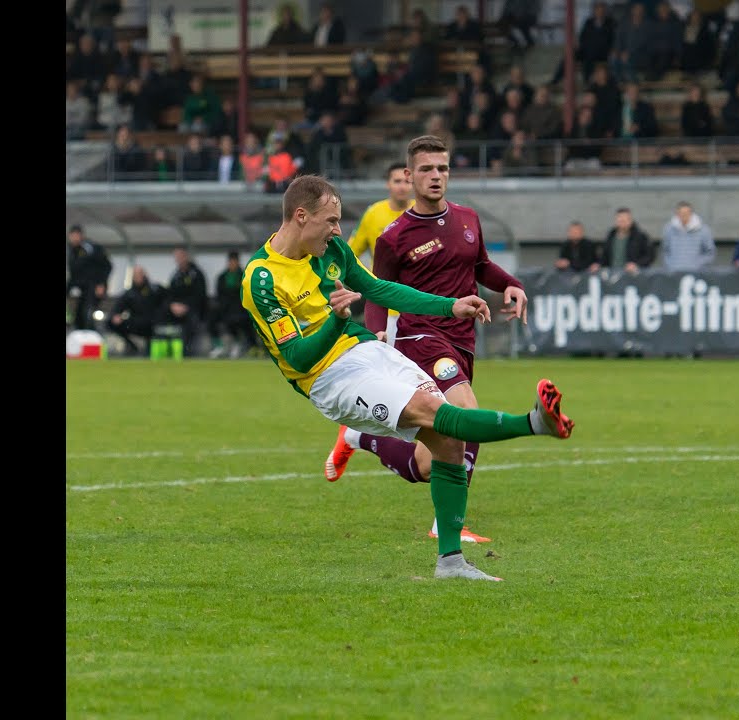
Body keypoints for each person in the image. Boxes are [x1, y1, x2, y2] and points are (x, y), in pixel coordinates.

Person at [242, 173, 573, 581]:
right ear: (300, 215)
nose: (337, 230)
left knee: (447, 443)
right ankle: (534, 422)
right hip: (328, 377)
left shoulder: (331, 251)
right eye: (330, 221)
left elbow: (382, 290)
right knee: (434, 411)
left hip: (367, 350)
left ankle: (450, 564)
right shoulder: (260, 278)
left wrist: (450, 306)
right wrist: (336, 320)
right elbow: (297, 355)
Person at [348, 135, 534, 545]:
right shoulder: (394, 236)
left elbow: (482, 265)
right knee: (467, 411)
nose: (436, 176)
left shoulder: (468, 219)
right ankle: (448, 525)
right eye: (427, 169)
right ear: (409, 176)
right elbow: (379, 290)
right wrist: (377, 331)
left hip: (463, 338)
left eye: (443, 168)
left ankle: (362, 437)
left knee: (432, 459)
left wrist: (511, 285)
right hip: (420, 336)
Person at [160, 246, 209, 357]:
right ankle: (164, 348)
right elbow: (170, 294)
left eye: (181, 256)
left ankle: (187, 351)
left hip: (193, 310)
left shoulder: (196, 274)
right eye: (176, 257)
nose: (178, 259)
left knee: (191, 320)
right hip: (176, 310)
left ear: (186, 256)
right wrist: (172, 305)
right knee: (160, 314)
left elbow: (200, 295)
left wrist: (185, 306)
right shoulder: (175, 276)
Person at [108, 265, 164, 356]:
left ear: (145, 275)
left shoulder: (155, 289)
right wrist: (115, 315)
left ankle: (149, 349)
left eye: (139, 274)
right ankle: (132, 346)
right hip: (136, 322)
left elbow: (166, 303)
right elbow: (118, 306)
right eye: (135, 275)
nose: (137, 277)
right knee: (110, 323)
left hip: (153, 322)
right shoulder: (130, 293)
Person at [209, 251, 256, 358]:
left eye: (234, 261)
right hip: (225, 307)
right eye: (230, 261)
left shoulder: (244, 276)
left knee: (238, 319)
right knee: (211, 318)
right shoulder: (222, 276)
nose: (232, 264)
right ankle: (218, 346)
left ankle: (239, 345)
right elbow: (219, 294)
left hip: (240, 307)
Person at [67, 224, 112, 331]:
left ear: (81, 235)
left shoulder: (91, 248)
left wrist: (101, 284)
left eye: (76, 235)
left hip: (93, 285)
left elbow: (106, 266)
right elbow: (74, 274)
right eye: (72, 236)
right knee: (78, 316)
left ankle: (90, 335)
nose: (74, 238)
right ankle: (78, 333)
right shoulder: (72, 250)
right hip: (80, 286)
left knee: (87, 313)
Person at [662, 201, 716, 271]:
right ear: (677, 214)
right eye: (681, 213)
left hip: (696, 273)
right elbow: (665, 250)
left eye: (686, 213)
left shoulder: (703, 230)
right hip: (674, 272)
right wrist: (671, 265)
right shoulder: (669, 229)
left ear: (691, 214)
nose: (684, 216)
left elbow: (710, 252)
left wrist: (696, 264)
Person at [599, 207, 654, 274]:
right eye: (620, 220)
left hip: (632, 275)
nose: (623, 223)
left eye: (625, 220)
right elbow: (604, 256)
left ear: (630, 220)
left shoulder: (640, 237)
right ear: (616, 221)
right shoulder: (610, 236)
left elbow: (650, 256)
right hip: (613, 274)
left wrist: (636, 265)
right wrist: (599, 265)